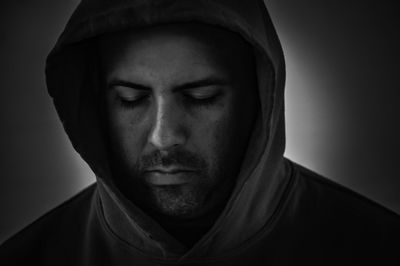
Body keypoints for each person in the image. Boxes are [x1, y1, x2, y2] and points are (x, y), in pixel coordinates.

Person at [0, 0, 399, 265]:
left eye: (201, 96)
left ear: (259, 100)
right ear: (95, 104)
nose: (163, 136)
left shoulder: (375, 249)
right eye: (131, 98)